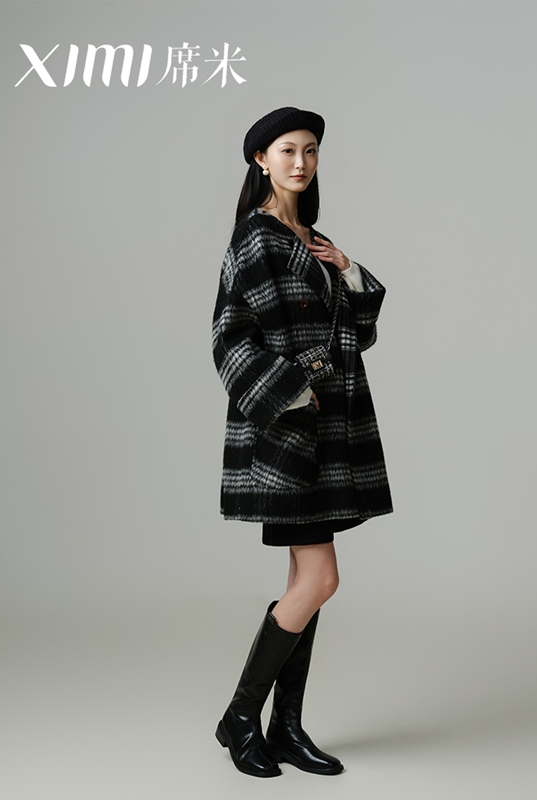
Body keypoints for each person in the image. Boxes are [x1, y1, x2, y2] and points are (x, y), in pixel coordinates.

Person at [212, 106, 393, 778]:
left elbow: (356, 333)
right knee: (321, 579)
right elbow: (228, 339)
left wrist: (347, 268)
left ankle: (284, 727)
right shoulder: (255, 238)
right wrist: (295, 387)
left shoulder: (310, 239)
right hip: (288, 434)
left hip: (327, 431)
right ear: (260, 160)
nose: (300, 162)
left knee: (303, 583)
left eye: (310, 150)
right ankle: (239, 718)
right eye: (287, 150)